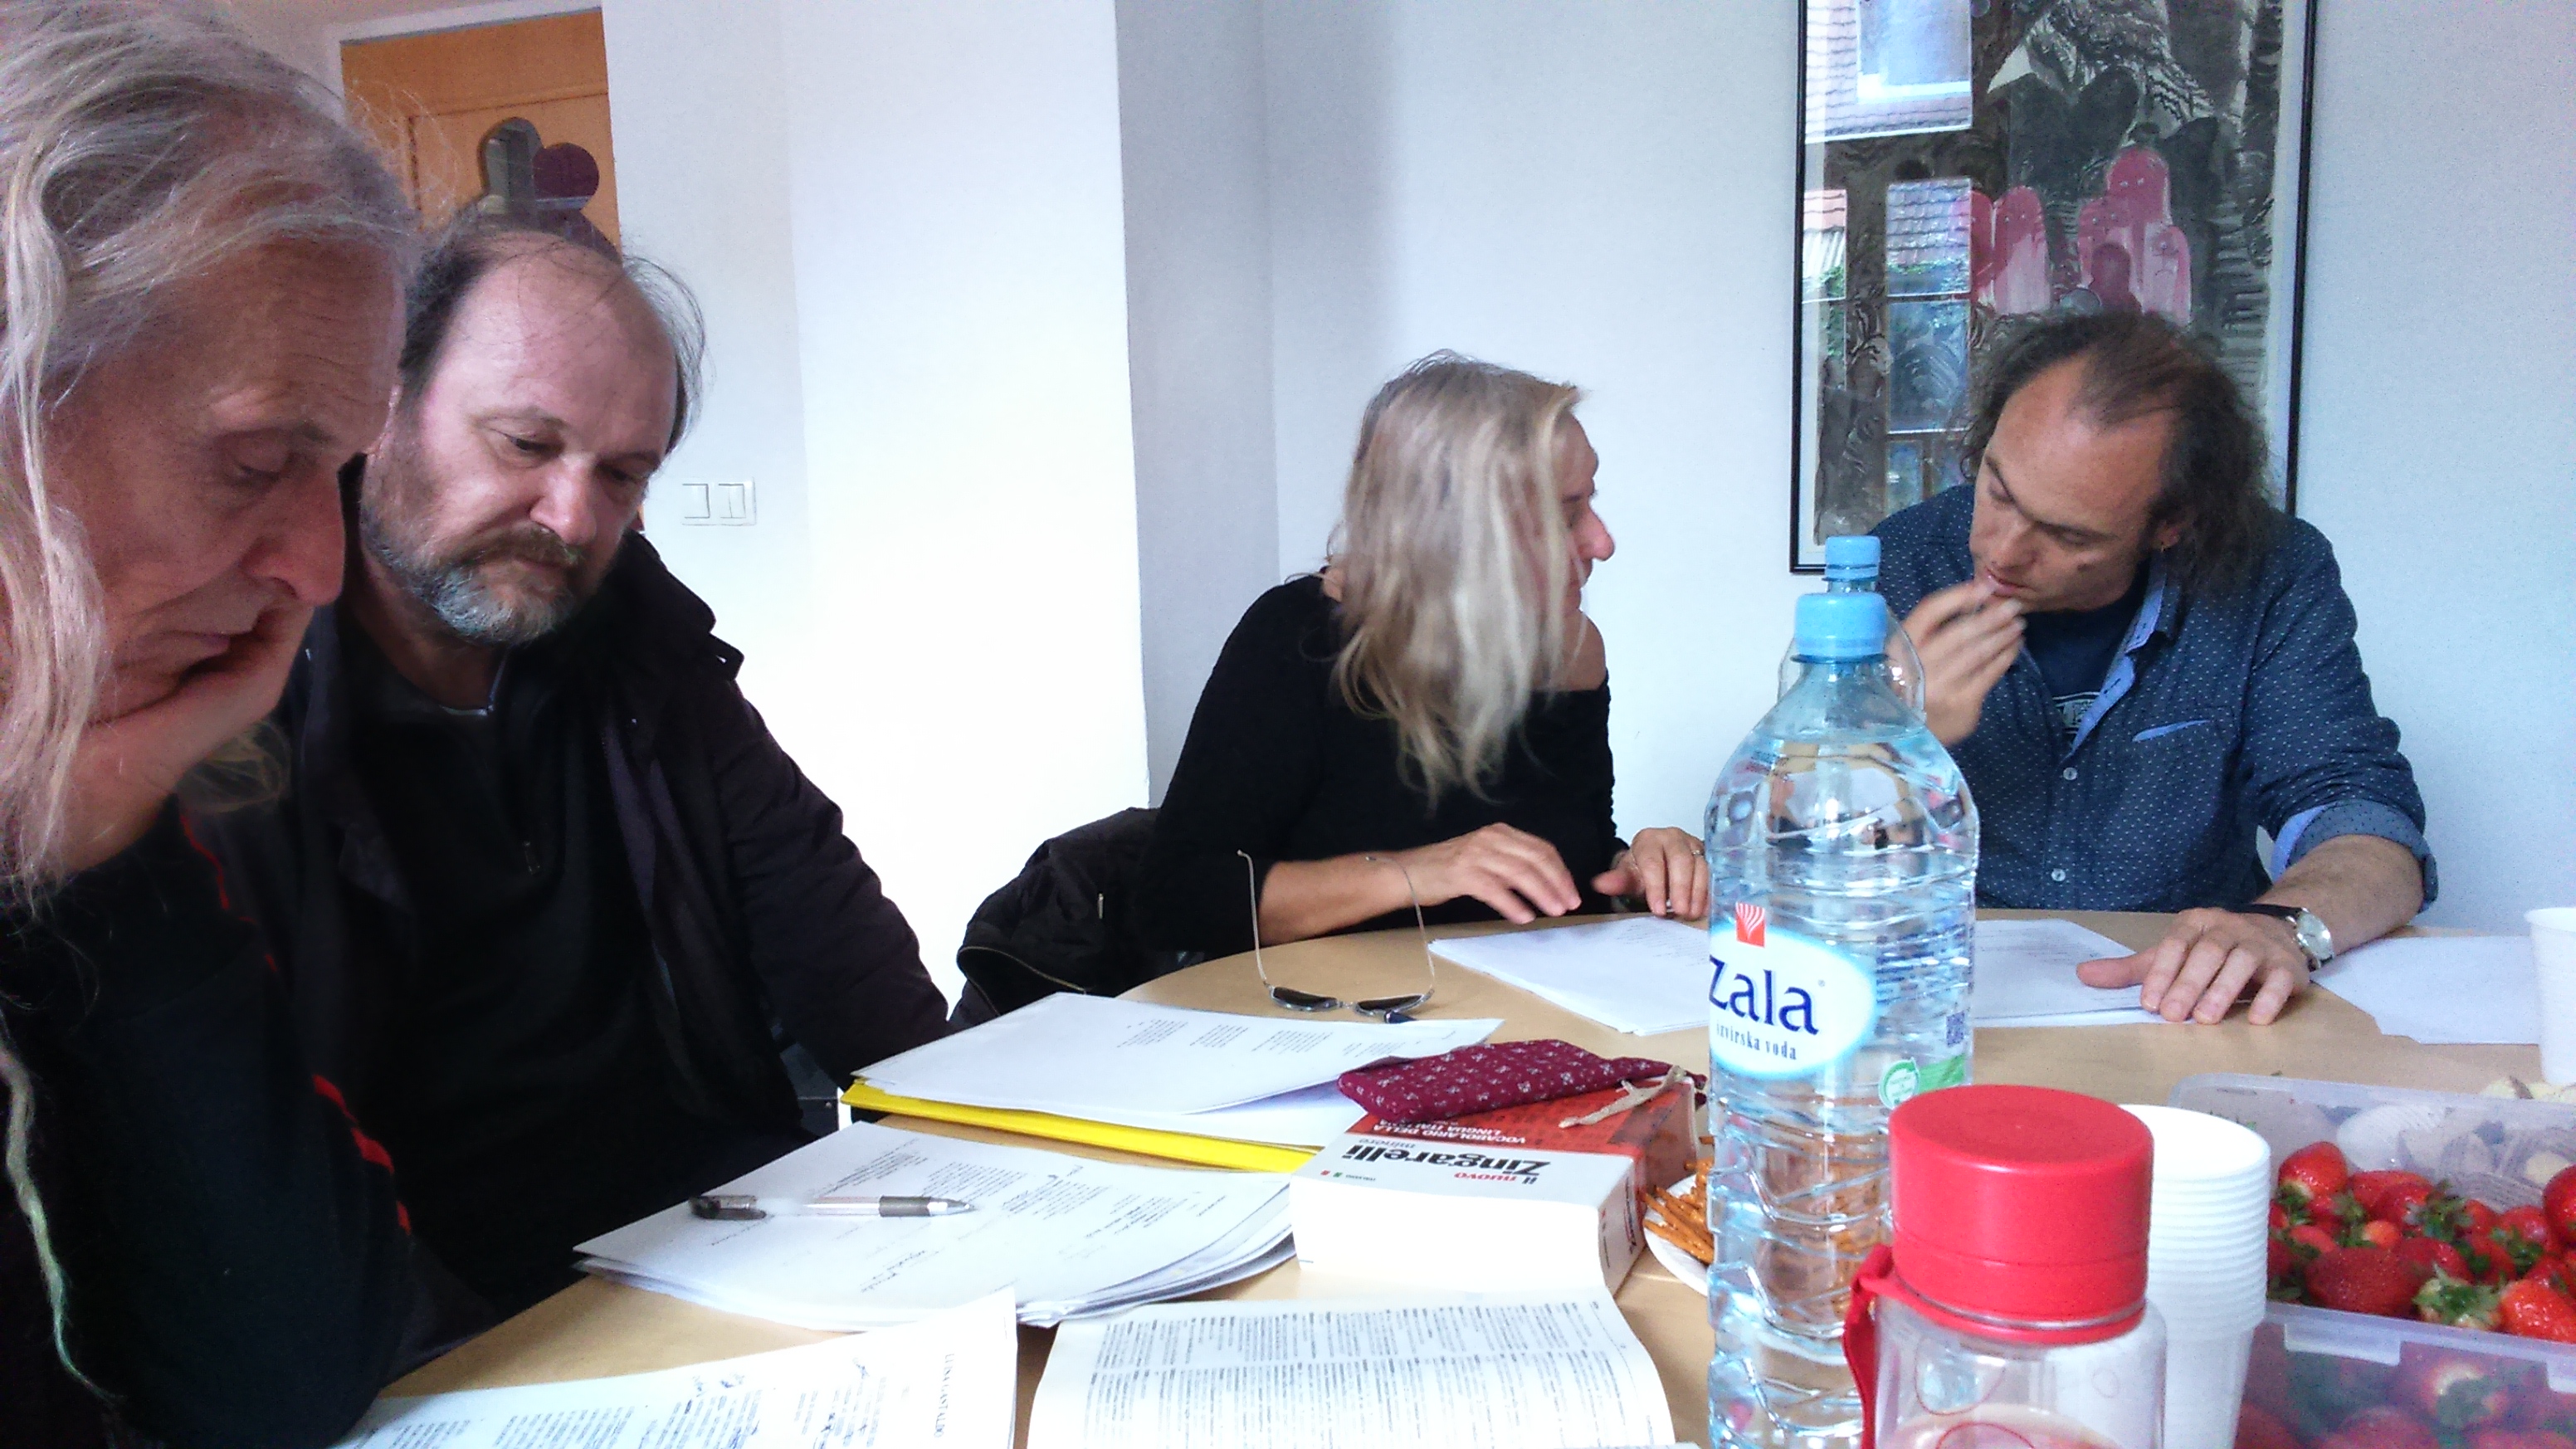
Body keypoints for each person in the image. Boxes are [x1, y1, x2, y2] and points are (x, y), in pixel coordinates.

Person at [195, 212, 952, 1322]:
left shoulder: (643, 643)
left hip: (714, 1230)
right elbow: (243, 1169)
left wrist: (970, 1140)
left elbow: (823, 918)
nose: (573, 518)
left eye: (623, 475)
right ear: (378, 406)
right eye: (526, 445)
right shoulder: (237, 705)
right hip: (434, 1311)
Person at [0, 2, 433, 1443]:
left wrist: (99, 841)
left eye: (338, 474)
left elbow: (289, 1380)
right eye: (256, 461)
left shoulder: (92, 800)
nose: (319, 568)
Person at [1874, 310, 2432, 1028]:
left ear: (2174, 524)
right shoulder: (1898, 563)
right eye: (1999, 492)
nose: (2003, 552)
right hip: (1953, 1002)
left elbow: (2362, 817)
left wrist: (2285, 928)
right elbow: (1782, 835)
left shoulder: (2273, 574)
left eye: (2067, 534)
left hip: (2191, 1008)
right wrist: (1890, 736)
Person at [1136, 353, 1706, 958]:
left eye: (1590, 502)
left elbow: (1573, 857)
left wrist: (1633, 870)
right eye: (1565, 516)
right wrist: (1414, 873)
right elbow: (1178, 900)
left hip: (1512, 1005)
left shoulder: (1573, 649)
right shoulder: (1298, 638)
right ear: (1454, 530)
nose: (1603, 542)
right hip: (1340, 1008)